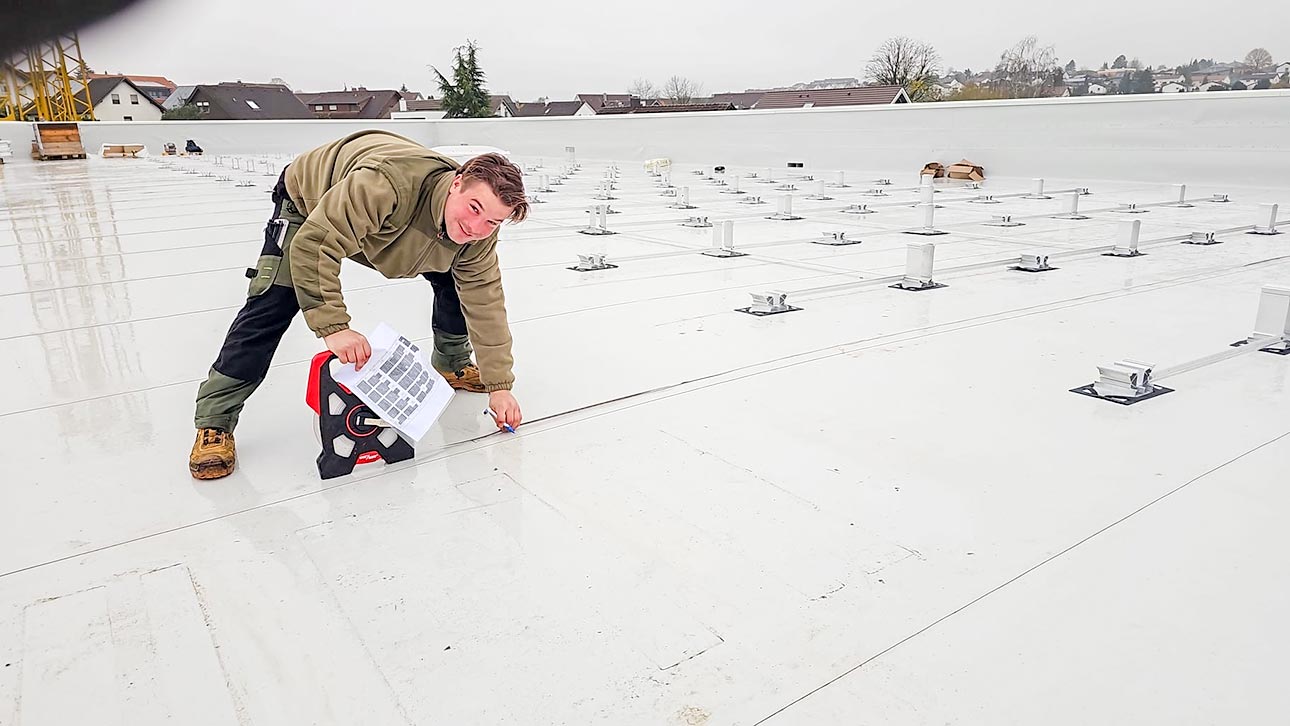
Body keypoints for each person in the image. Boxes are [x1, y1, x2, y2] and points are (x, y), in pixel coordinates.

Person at [188, 130, 528, 480]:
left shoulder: (475, 234)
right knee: (273, 303)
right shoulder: (385, 185)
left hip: (387, 227)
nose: (476, 227)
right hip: (310, 205)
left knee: (458, 286)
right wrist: (333, 327)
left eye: (492, 221)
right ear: (457, 183)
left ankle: (452, 363)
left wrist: (499, 385)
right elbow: (316, 244)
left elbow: (485, 301)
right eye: (474, 209)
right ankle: (215, 420)